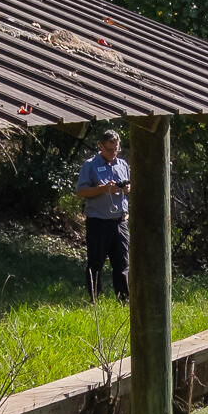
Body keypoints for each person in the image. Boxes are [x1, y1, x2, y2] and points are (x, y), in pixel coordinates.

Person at [76, 128, 130, 302]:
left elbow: (129, 188)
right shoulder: (90, 165)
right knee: (96, 262)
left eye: (116, 149)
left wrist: (127, 189)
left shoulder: (122, 165)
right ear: (100, 146)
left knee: (122, 263)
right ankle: (95, 299)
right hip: (98, 221)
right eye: (109, 149)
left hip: (119, 221)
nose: (113, 153)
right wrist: (104, 189)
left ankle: (123, 299)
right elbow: (82, 191)